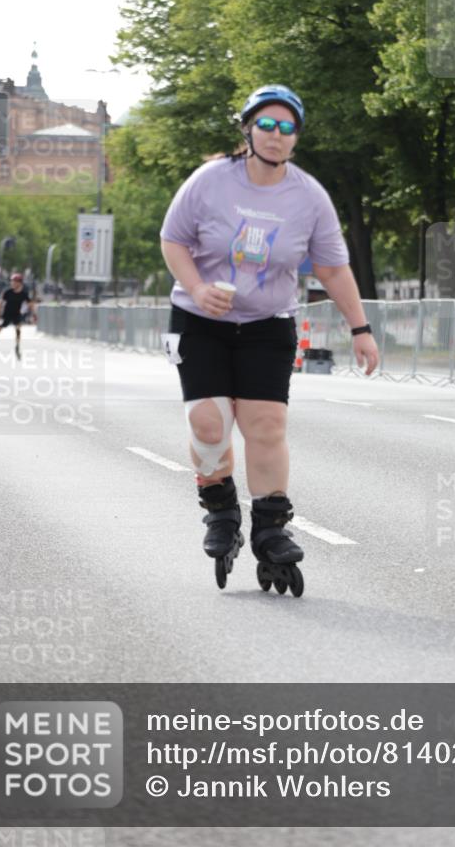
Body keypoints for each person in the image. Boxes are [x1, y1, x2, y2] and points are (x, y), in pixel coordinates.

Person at [159, 84, 379, 598]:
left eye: (288, 128)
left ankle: (272, 526)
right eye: (268, 125)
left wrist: (360, 329)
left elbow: (332, 265)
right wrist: (196, 287)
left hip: (267, 322)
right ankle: (220, 511)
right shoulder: (210, 181)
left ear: (296, 137)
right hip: (199, 319)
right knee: (208, 421)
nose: (277, 135)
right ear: (248, 129)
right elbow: (173, 240)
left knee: (266, 423)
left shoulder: (308, 196)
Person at [0, 272, 35, 360]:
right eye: (12, 281)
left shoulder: (24, 294)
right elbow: (0, 302)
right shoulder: (8, 292)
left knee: (18, 330)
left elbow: (30, 303)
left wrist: (33, 313)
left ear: (19, 283)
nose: (12, 283)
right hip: (6, 314)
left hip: (16, 314)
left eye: (14, 282)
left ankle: (17, 347)